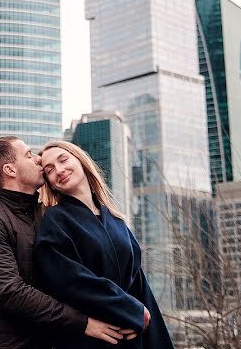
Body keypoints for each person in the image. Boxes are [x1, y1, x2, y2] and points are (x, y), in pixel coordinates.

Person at [0, 136, 135, 349]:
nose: (38, 159)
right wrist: (83, 323)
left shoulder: (48, 215)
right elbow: (10, 291)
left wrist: (124, 311)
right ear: (10, 170)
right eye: (28, 155)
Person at [33, 140, 174, 349]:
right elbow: (67, 280)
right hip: (89, 339)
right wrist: (128, 309)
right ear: (50, 183)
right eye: (50, 170)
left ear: (81, 161)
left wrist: (142, 321)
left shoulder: (117, 221)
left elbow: (139, 284)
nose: (59, 170)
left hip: (131, 336)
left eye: (63, 160)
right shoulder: (55, 220)